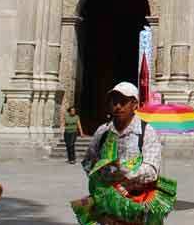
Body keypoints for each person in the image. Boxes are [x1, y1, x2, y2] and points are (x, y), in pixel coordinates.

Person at [75, 82, 175, 225]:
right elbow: (87, 162)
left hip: (136, 206)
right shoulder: (102, 132)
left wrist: (122, 169)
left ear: (134, 104)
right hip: (107, 209)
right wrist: (100, 172)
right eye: (114, 102)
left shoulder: (147, 132)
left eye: (123, 102)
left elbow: (152, 170)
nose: (118, 106)